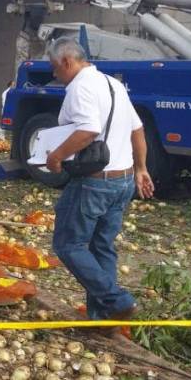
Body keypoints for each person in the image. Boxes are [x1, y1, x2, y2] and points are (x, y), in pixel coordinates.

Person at [43, 38, 154, 328]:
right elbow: (137, 129)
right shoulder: (113, 85)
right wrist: (141, 168)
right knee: (102, 247)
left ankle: (117, 300)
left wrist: (56, 156)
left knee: (69, 245)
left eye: (55, 68)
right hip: (123, 180)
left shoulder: (80, 87)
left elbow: (88, 130)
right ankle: (103, 319)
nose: (56, 75)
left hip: (94, 183)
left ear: (67, 62)